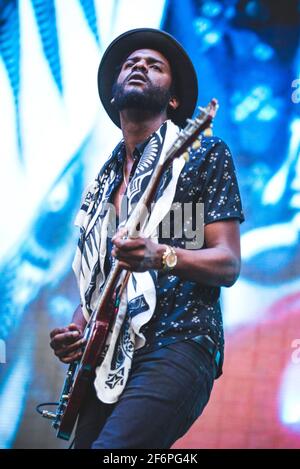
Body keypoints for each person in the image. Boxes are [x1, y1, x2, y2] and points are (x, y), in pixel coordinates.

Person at [49, 28, 244, 449]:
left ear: (173, 100)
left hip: (178, 342)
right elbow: (106, 277)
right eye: (131, 63)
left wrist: (162, 256)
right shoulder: (102, 186)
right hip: (107, 360)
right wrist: (78, 329)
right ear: (115, 97)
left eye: (154, 66)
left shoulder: (202, 156)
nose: (139, 66)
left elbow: (227, 264)